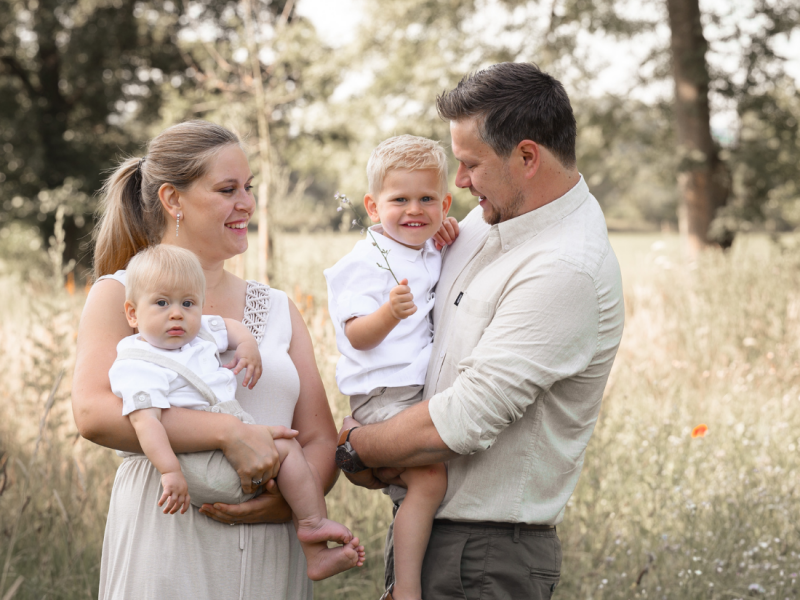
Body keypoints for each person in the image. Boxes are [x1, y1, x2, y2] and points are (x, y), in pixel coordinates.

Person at [336, 62, 626, 599]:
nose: (461, 183)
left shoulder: (566, 268)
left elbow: (462, 420)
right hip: (433, 533)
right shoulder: (484, 220)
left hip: (486, 556)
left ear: (527, 156)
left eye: (470, 164)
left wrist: (355, 445)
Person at [72, 120, 358, 600]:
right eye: (227, 189)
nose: (246, 202)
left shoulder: (278, 307)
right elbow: (93, 414)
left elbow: (318, 438)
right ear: (173, 200)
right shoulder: (120, 295)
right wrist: (229, 433)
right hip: (171, 528)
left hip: (274, 545)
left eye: (248, 188)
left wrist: (283, 505)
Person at [110, 244, 363, 580]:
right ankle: (313, 526)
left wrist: (247, 347)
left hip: (230, 454)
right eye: (161, 303)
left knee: (286, 445)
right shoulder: (139, 362)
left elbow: (230, 327)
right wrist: (170, 471)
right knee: (286, 448)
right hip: (195, 462)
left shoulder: (196, 334)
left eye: (188, 303)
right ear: (132, 314)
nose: (176, 313)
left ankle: (314, 549)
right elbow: (147, 423)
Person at [324, 135, 458, 600]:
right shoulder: (364, 261)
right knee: (429, 477)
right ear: (373, 205)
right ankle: (405, 589)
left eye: (427, 200)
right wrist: (388, 314)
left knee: (423, 478)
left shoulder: (426, 248)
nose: (413, 210)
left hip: (410, 390)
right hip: (383, 391)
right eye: (399, 199)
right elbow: (356, 336)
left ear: (445, 202)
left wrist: (446, 229)